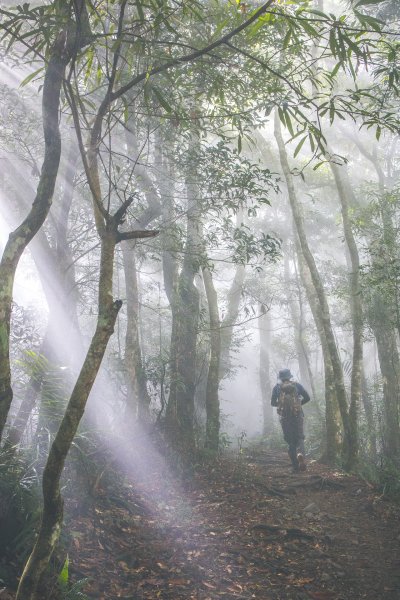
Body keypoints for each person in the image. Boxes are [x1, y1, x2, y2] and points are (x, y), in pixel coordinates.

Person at [271, 368, 310, 472]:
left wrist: (280, 404)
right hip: (298, 416)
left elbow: (272, 403)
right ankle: (301, 455)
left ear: (280, 378)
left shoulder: (277, 388)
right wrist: (298, 404)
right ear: (289, 376)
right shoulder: (297, 385)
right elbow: (307, 398)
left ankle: (295, 467)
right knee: (300, 438)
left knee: (291, 442)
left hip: (285, 418)